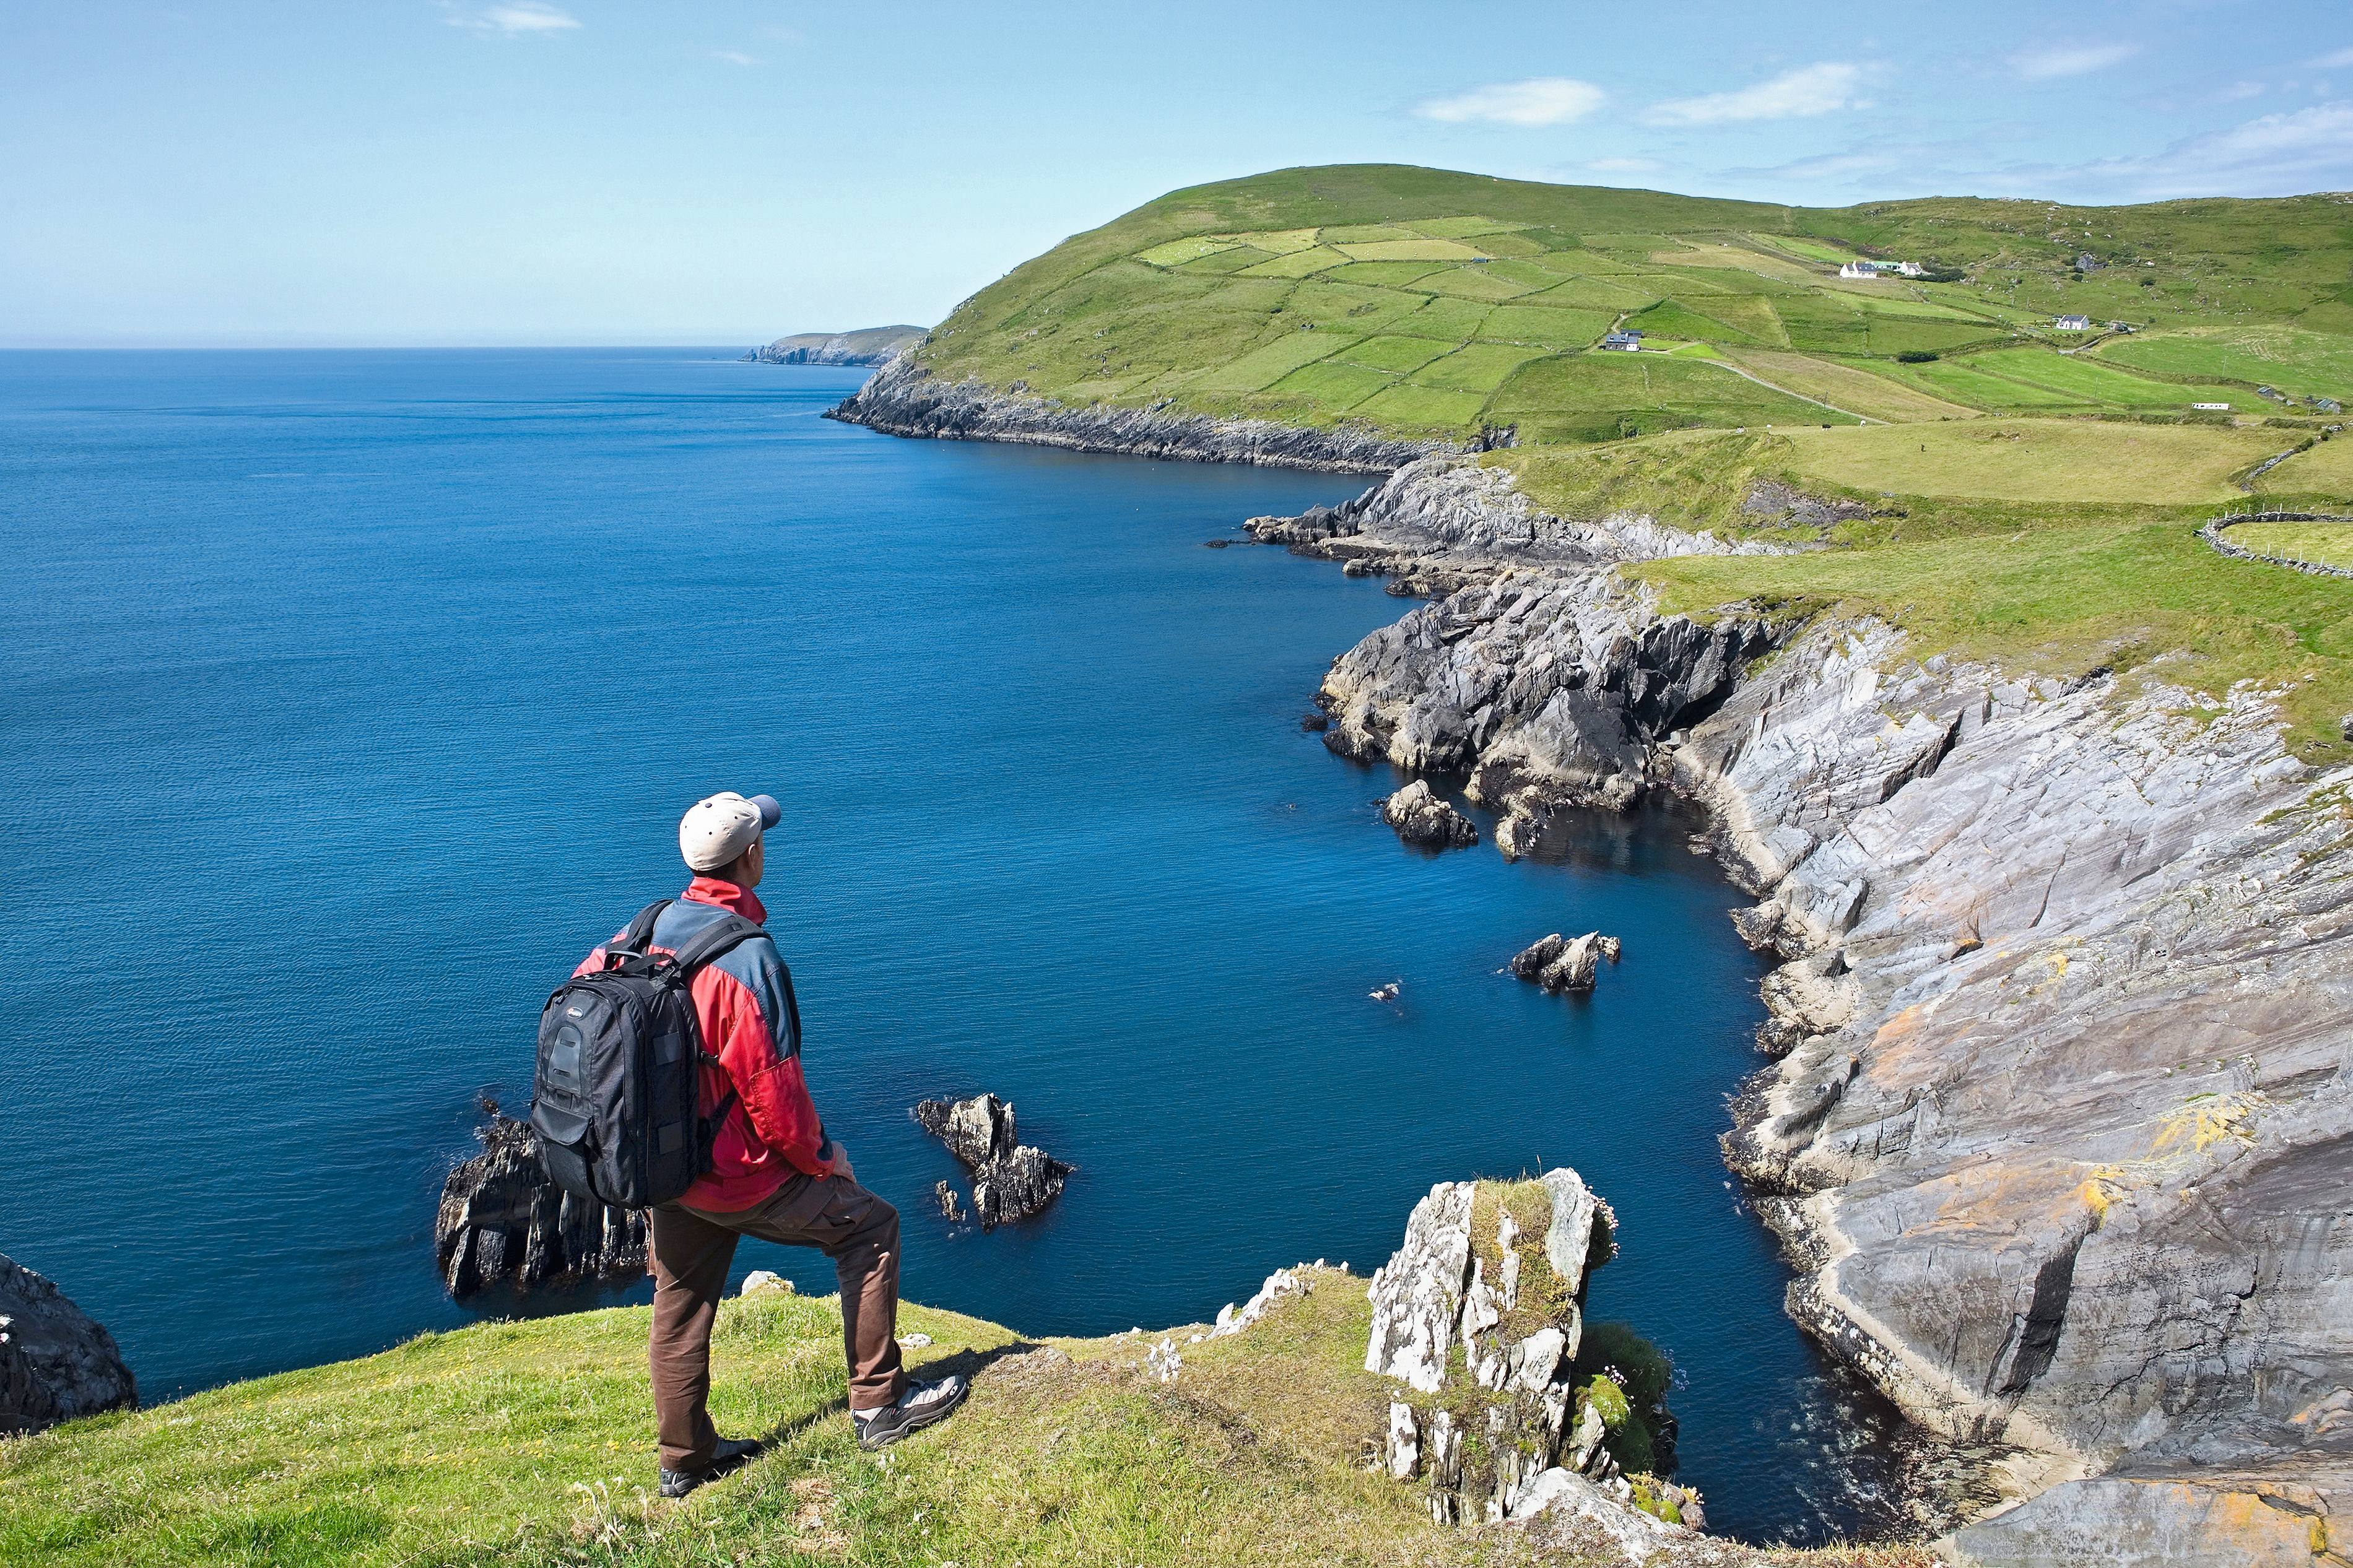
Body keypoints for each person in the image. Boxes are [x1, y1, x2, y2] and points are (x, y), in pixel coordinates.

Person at [577, 790, 968, 1499]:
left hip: (666, 1169)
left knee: (680, 1302)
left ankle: (683, 1457)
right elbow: (775, 1096)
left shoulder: (638, 931)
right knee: (872, 1230)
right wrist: (826, 1159)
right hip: (740, 1176)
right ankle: (879, 1406)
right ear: (750, 856)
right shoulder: (746, 956)